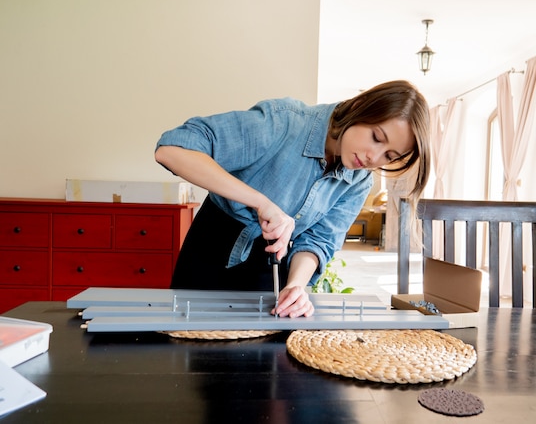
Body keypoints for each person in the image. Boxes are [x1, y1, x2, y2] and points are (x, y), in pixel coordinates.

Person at [154, 79, 430, 318]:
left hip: (271, 271)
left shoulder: (358, 180)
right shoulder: (283, 121)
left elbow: (319, 241)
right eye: (376, 137)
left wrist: (296, 285)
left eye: (388, 157)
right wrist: (261, 202)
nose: (373, 157)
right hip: (211, 251)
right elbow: (172, 149)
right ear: (360, 107)